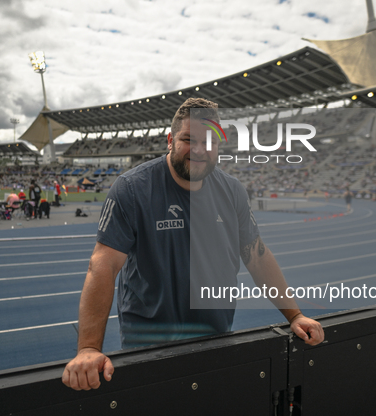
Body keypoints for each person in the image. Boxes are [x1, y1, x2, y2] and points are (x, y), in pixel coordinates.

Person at [62, 98, 324, 391]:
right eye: (189, 139)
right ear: (170, 140)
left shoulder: (232, 191)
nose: (199, 150)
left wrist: (295, 315)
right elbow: (103, 265)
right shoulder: (132, 189)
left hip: (215, 338)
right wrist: (88, 348)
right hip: (147, 344)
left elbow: (257, 257)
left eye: (209, 142)